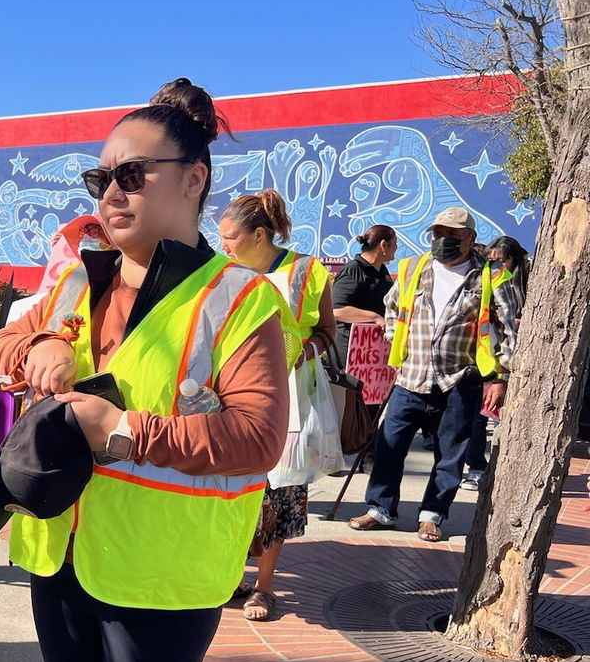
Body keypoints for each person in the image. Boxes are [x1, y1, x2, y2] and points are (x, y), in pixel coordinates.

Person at [0, 78, 295, 662]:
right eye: (100, 178)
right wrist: (35, 343)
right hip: (60, 549)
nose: (111, 193)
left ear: (193, 180)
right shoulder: (75, 279)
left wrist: (118, 432)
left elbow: (257, 438)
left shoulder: (238, 298)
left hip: (167, 567)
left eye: (131, 175)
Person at [348, 207, 521, 542]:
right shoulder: (413, 267)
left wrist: (500, 376)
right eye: (438, 234)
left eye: (452, 236)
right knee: (389, 446)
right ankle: (380, 510)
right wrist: (393, 341)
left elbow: (511, 328)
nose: (442, 241)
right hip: (411, 377)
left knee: (450, 453)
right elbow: (393, 306)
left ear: (470, 238)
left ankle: (432, 515)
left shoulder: (492, 274)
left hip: (460, 379)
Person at [217, 190, 336, 622]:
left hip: (289, 403)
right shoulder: (222, 273)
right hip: (230, 400)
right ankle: (231, 577)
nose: (223, 245)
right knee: (231, 491)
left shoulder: (306, 271)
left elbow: (326, 331)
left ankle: (264, 588)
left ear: (260, 234)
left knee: (278, 494)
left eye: (230, 237)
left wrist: (303, 351)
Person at [461, 235, 531, 490]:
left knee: (507, 417)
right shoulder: (486, 276)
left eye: (502, 261)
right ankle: (476, 466)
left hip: (518, 357)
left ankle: (506, 469)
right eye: (492, 261)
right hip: (488, 354)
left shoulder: (528, 279)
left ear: (516, 259)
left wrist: (515, 323)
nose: (497, 266)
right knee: (481, 415)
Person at [332, 225, 397, 368]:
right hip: (349, 354)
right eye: (395, 243)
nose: (396, 248)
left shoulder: (382, 271)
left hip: (373, 353)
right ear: (383, 245)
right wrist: (374, 317)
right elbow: (336, 311)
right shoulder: (353, 269)